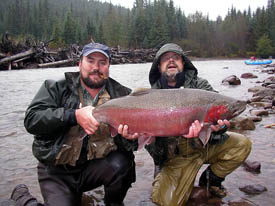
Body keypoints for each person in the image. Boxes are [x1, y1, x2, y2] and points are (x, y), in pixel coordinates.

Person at [120, 43, 252, 206]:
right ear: (158, 66)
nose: (171, 61)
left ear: (184, 63)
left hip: (206, 147)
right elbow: (156, 154)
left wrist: (220, 127)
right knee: (166, 202)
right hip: (177, 157)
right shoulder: (149, 98)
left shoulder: (201, 86)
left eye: (176, 58)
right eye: (165, 59)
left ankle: (210, 180)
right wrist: (142, 139)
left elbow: (221, 121)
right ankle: (163, 177)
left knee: (242, 144)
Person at [12, 42, 138, 206]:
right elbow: (32, 120)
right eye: (90, 61)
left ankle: (114, 203)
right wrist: (73, 115)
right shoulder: (55, 87)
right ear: (79, 64)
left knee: (123, 162)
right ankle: (24, 198)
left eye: (102, 63)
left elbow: (130, 147)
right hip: (57, 172)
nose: (96, 67)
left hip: (93, 168)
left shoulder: (123, 95)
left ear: (108, 67)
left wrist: (130, 138)